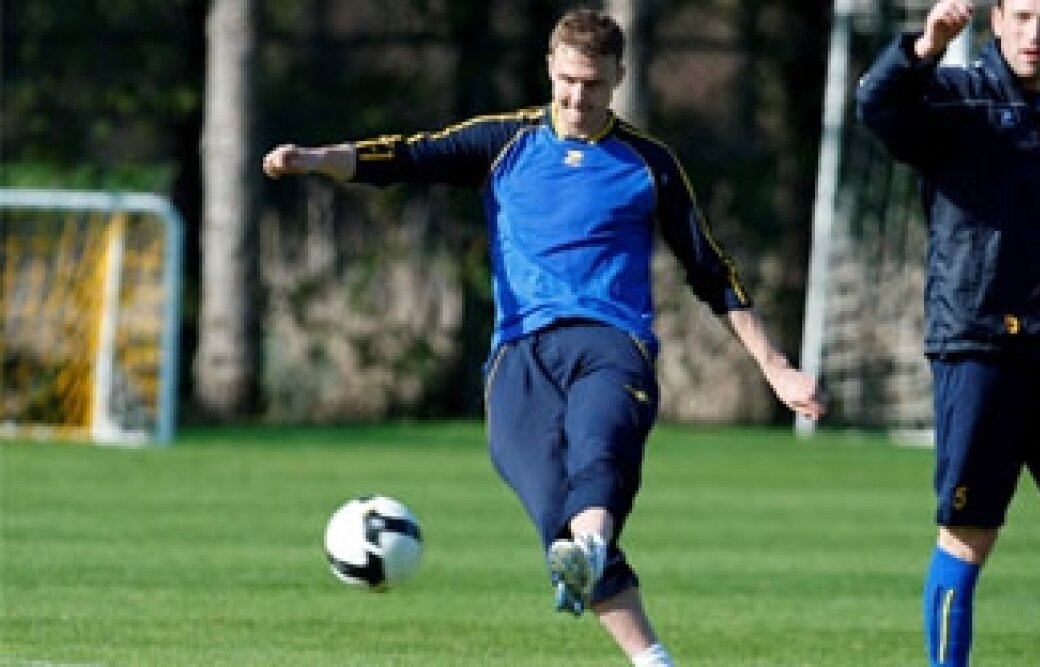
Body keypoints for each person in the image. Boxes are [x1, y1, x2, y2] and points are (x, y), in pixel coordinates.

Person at [264, 7, 824, 666]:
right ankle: (644, 644)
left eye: (593, 84)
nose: (578, 97)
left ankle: (591, 550)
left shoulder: (649, 164)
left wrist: (775, 365)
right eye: (567, 81)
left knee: (599, 449)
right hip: (519, 355)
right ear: (549, 69)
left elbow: (711, 270)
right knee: (555, 512)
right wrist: (315, 160)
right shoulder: (504, 142)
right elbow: (406, 156)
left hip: (612, 343)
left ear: (619, 77)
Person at [856, 1, 1040, 665]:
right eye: (1021, 17)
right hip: (981, 346)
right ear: (996, 21)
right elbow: (877, 105)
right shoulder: (953, 99)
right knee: (970, 534)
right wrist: (926, 46)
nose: (1034, 33)